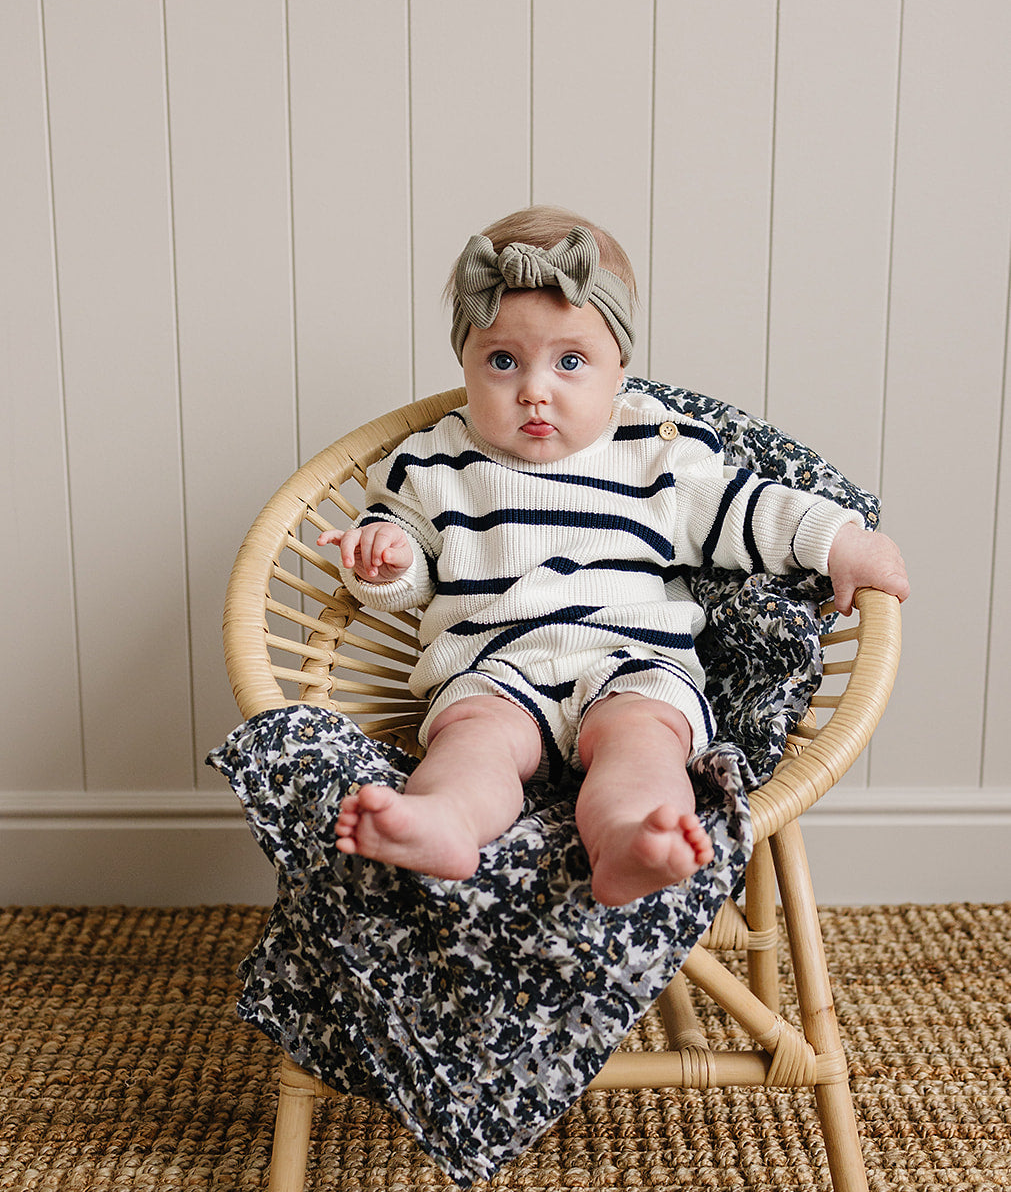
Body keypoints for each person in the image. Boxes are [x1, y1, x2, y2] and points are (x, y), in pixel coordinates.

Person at [318, 207, 909, 906]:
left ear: (618, 366)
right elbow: (406, 572)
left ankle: (630, 840)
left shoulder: (654, 453)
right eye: (502, 361)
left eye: (570, 362)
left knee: (641, 745)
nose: (534, 389)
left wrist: (839, 539)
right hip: (493, 669)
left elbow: (748, 510)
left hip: (629, 664)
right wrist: (383, 561)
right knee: (469, 748)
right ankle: (443, 823)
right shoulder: (432, 462)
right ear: (465, 362)